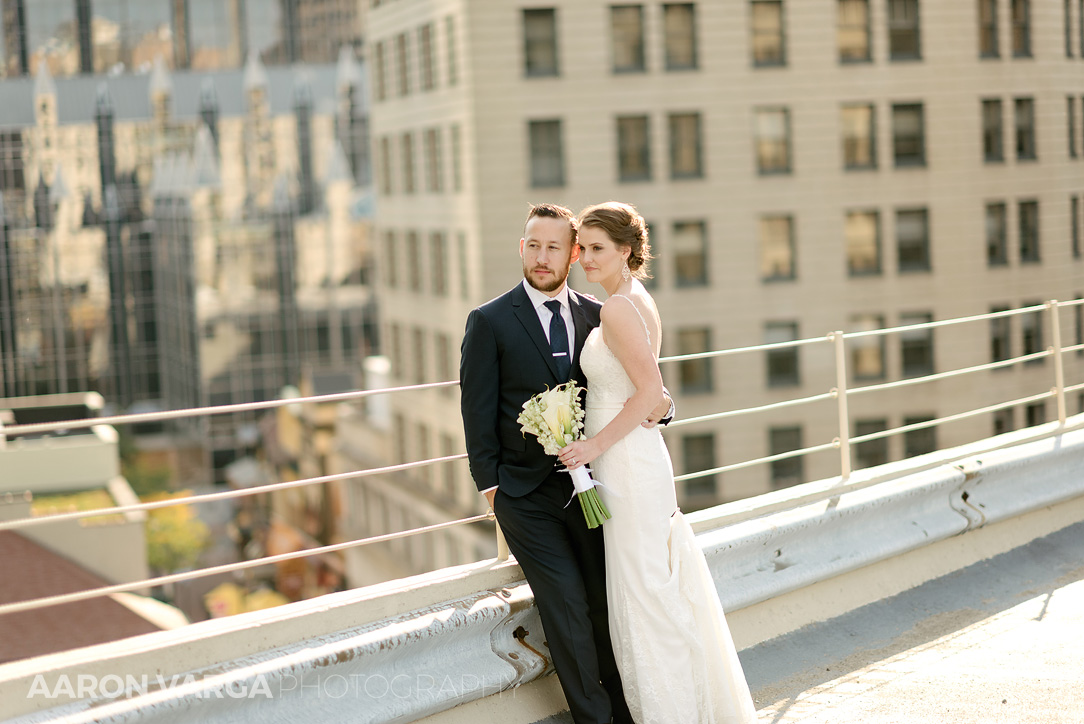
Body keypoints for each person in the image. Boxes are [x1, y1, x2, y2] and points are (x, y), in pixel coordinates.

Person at [459, 203, 672, 724]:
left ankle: (628, 712)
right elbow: (476, 411)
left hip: (593, 490)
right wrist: (493, 490)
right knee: (565, 609)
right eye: (533, 244)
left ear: (572, 254)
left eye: (554, 246)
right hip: (525, 497)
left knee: (606, 606)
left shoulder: (596, 314)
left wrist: (662, 411)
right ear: (523, 248)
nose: (541, 255)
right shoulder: (489, 321)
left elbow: (640, 386)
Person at [556, 202, 758, 723]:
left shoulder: (618, 308)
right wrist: (657, 410)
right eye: (583, 248)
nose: (585, 258)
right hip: (637, 458)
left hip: (623, 462)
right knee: (650, 589)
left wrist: (592, 448)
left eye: (598, 248)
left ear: (626, 251)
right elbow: (658, 395)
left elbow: (648, 392)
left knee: (643, 597)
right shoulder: (637, 300)